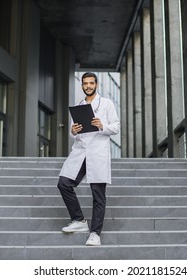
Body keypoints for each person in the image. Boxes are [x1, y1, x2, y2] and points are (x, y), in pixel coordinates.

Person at [57, 72, 120, 246]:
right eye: (85, 83)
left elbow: (116, 127)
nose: (88, 86)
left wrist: (102, 126)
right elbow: (74, 134)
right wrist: (74, 131)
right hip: (80, 152)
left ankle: (95, 233)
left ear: (96, 84)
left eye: (91, 83)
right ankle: (79, 220)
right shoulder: (78, 107)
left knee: (98, 194)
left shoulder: (106, 104)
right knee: (63, 183)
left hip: (97, 153)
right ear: (82, 86)